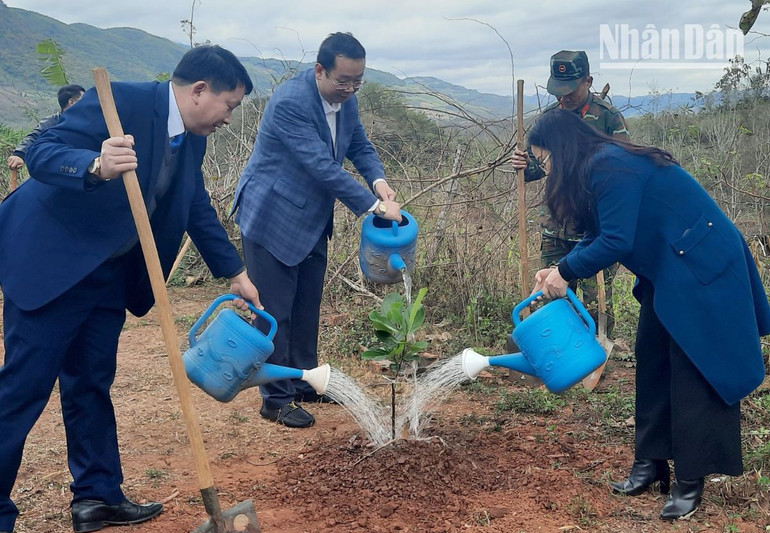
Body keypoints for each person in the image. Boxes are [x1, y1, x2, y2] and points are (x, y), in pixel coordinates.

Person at [0, 45, 261, 533]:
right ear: (200, 91)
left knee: (91, 383)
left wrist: (235, 272)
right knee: (22, 389)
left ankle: (96, 499)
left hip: (108, 274)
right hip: (51, 262)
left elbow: (194, 205)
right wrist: (95, 164)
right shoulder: (119, 101)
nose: (229, 118)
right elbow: (40, 152)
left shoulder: (194, 138)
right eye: (230, 105)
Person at [528, 109, 770, 521]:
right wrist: (557, 270)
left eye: (545, 158)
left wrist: (565, 272)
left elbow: (617, 241)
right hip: (671, 270)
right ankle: (650, 464)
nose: (545, 168)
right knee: (653, 357)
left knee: (694, 367)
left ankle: (689, 480)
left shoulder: (610, 165)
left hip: (702, 265)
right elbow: (598, 232)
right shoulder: (597, 169)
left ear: (562, 150)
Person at [232, 32, 402, 429]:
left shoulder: (347, 100)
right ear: (319, 70)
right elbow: (321, 167)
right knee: (275, 312)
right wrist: (373, 206)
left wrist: (378, 181)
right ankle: (275, 399)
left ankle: (304, 381)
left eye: (357, 81)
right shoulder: (290, 102)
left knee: (306, 307)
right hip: (272, 215)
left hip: (310, 218)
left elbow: (359, 145)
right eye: (343, 80)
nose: (349, 89)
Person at [511, 51, 629, 335]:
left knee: (595, 301)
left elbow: (625, 170)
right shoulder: (548, 120)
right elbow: (538, 168)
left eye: (570, 90)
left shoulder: (608, 118)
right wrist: (524, 166)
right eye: (558, 91)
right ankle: (557, 354)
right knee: (549, 295)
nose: (564, 98)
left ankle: (596, 354)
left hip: (593, 231)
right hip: (555, 227)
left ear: (587, 81)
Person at [7, 84, 86, 171]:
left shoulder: (89, 123)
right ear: (71, 102)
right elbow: (34, 137)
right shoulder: (51, 122)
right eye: (84, 100)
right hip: (57, 170)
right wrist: (19, 154)